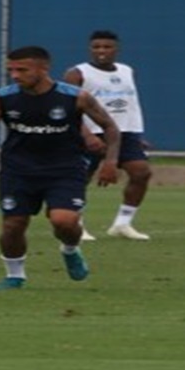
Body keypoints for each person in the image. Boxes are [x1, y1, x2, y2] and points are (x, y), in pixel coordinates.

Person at [0, 45, 120, 291]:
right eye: (11, 70)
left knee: (64, 222)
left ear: (43, 68)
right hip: (18, 170)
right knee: (13, 224)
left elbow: (110, 127)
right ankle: (15, 275)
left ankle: (70, 249)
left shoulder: (75, 96)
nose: (15, 75)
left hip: (64, 169)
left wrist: (111, 162)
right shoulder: (2, 97)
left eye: (22, 70)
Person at [64, 29, 153, 241]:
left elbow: (130, 103)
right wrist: (86, 135)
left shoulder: (126, 70)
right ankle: (76, 223)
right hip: (91, 132)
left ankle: (123, 224)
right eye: (96, 47)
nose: (101, 51)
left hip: (125, 133)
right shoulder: (77, 73)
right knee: (81, 178)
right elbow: (69, 108)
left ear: (117, 49)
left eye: (107, 47)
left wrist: (136, 134)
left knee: (141, 173)